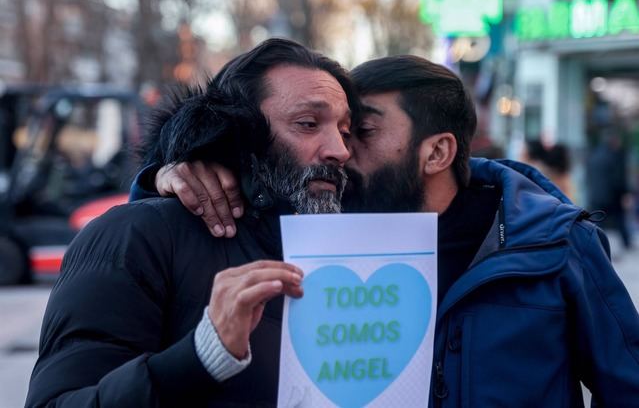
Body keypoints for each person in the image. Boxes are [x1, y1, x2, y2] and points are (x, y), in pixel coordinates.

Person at [140, 55, 639, 406]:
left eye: (363, 132)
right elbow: (180, 237)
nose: (340, 149)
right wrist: (167, 176)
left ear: (437, 152)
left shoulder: (552, 243)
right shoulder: (317, 225)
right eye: (337, 129)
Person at [26, 38, 359, 407]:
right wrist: (202, 355)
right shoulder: (137, 235)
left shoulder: (346, 246)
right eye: (308, 123)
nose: (340, 150)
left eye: (346, 132)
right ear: (241, 130)